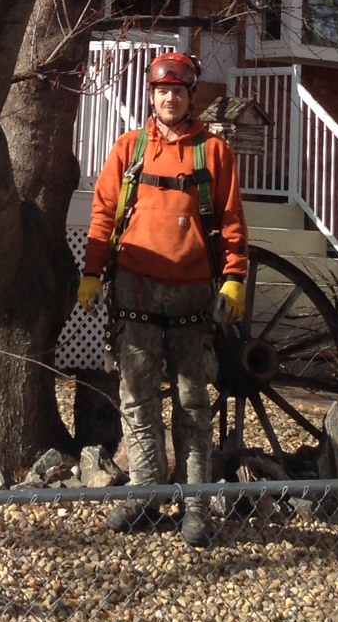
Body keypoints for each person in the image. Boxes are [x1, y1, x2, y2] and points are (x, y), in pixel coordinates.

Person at [77, 50, 248, 547]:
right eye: (161, 90)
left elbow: (233, 222)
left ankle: (195, 504)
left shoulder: (214, 153)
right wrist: (91, 273)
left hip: (193, 295)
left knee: (194, 403)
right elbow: (104, 215)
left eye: (178, 90)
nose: (169, 98)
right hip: (134, 291)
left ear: (190, 96)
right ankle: (145, 493)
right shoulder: (129, 150)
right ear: (151, 96)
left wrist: (234, 277)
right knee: (138, 398)